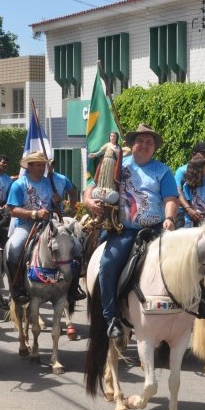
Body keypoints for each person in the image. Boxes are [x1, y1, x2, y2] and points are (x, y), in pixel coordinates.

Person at [83, 124, 178, 339]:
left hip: (155, 228)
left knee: (182, 263)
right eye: (140, 141)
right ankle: (111, 317)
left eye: (149, 143)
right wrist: (89, 201)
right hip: (124, 229)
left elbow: (170, 199)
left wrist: (170, 218)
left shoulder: (163, 171)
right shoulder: (118, 165)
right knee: (107, 264)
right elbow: (92, 186)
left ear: (154, 148)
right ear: (131, 144)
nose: (144, 146)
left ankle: (182, 312)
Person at [7, 151, 85, 305]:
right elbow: (12, 210)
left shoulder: (51, 182)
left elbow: (58, 204)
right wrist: (34, 213)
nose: (42, 168)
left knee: (76, 246)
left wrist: (57, 202)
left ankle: (73, 288)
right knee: (14, 248)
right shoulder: (19, 184)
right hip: (26, 225)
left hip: (51, 224)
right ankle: (17, 289)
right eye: (38, 165)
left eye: (43, 164)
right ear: (29, 166)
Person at [175, 141, 205, 228]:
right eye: (204, 153)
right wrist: (189, 209)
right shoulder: (182, 171)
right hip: (186, 216)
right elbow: (178, 191)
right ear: (193, 154)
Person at [88, 131, 123, 204]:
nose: (112, 137)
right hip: (105, 162)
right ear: (109, 137)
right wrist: (94, 155)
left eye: (114, 136)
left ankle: (109, 188)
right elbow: (100, 152)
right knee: (103, 175)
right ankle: (101, 187)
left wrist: (115, 150)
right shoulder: (107, 145)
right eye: (111, 136)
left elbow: (119, 157)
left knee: (110, 176)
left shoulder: (117, 147)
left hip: (112, 163)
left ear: (116, 138)